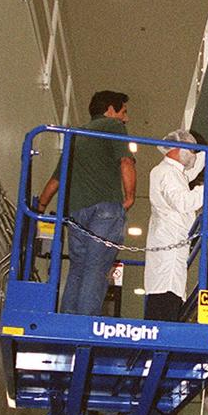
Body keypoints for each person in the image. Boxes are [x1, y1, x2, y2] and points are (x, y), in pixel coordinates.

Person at [37, 91, 135, 315]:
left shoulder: (75, 136)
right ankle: (85, 322)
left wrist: (39, 209)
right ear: (110, 110)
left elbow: (56, 180)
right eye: (124, 112)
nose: (126, 118)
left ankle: (67, 319)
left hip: (76, 214)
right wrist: (129, 198)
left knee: (78, 268)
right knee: (97, 267)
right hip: (105, 209)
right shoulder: (113, 127)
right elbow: (126, 161)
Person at [143, 128, 208, 322]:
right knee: (166, 297)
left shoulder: (172, 172)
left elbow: (191, 171)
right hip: (169, 245)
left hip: (171, 243)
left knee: (169, 293)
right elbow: (184, 202)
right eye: (191, 150)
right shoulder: (166, 173)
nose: (193, 155)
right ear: (178, 148)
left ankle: (159, 344)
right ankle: (159, 344)